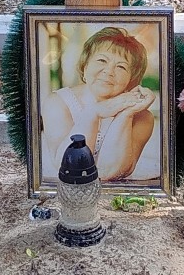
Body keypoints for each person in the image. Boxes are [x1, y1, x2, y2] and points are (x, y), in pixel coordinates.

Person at [40, 26, 159, 184]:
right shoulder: (57, 103)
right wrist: (94, 113)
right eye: (102, 60)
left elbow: (110, 171)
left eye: (121, 67)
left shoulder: (142, 117)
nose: (109, 71)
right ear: (86, 65)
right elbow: (72, 167)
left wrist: (126, 114)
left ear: (131, 79)